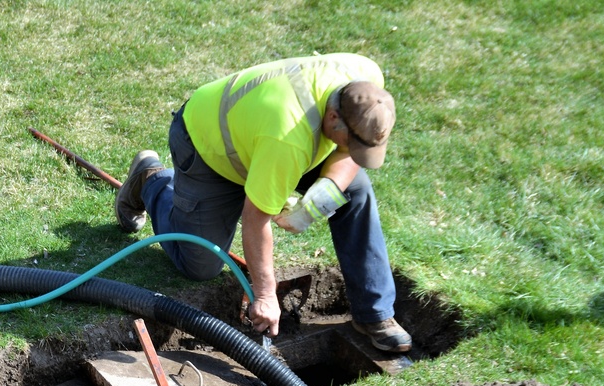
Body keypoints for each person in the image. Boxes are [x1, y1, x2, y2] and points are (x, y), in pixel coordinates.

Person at [115, 53, 412, 353]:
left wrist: (318, 202)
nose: (353, 151)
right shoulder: (287, 137)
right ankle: (151, 181)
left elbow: (348, 158)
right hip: (209, 147)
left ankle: (374, 313)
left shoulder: (366, 80)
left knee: (356, 191)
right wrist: (267, 296)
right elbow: (256, 220)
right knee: (200, 265)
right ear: (333, 117)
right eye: (352, 142)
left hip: (261, 137)